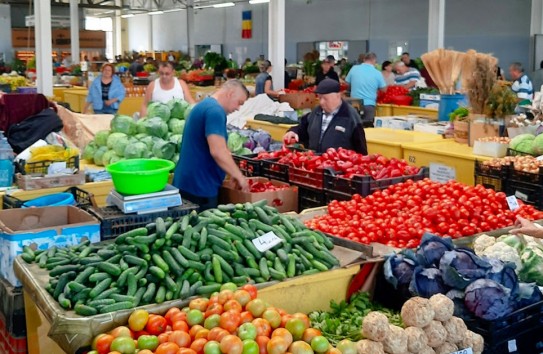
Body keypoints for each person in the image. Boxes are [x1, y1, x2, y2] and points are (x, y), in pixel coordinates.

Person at [173, 80, 250, 210]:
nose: (238, 108)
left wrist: (230, 171)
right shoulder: (215, 111)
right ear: (230, 94)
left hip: (187, 183)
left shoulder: (204, 105)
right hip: (200, 187)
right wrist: (239, 176)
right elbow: (218, 151)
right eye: (239, 103)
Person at [282, 78, 367, 154]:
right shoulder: (316, 112)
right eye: (319, 98)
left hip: (338, 168)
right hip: (314, 164)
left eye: (325, 98)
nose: (321, 102)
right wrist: (293, 131)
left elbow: (361, 150)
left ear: (338, 96)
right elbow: (302, 127)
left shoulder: (350, 116)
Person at [345, 53, 386, 123]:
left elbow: (347, 83)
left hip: (354, 103)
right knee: (367, 128)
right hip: (369, 104)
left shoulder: (354, 69)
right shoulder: (377, 73)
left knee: (353, 127)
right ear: (374, 61)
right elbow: (384, 89)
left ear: (364, 59)